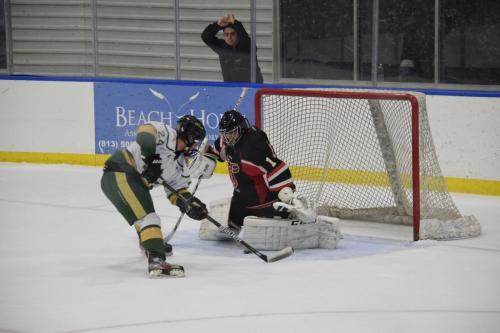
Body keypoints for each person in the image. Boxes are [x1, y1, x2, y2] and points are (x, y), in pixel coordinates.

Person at [100, 115, 213, 278]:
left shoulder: (180, 165)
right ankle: (156, 260)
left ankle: (150, 242)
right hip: (121, 172)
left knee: (144, 218)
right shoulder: (167, 134)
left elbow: (177, 192)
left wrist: (189, 203)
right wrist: (150, 158)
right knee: (150, 217)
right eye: (194, 140)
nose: (195, 145)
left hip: (131, 181)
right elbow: (144, 133)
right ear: (187, 135)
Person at [207, 109, 295, 232]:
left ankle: (285, 213)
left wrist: (287, 195)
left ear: (241, 129)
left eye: (231, 133)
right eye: (225, 133)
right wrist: (207, 153)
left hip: (264, 203)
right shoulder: (229, 139)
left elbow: (277, 167)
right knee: (214, 224)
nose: (227, 137)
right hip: (242, 199)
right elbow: (217, 151)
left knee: (260, 228)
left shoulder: (253, 147)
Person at [201, 14, 263, 83]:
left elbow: (244, 37)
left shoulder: (247, 46)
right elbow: (206, 37)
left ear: (238, 34)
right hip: (231, 88)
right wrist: (217, 25)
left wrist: (235, 23)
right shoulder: (222, 48)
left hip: (251, 87)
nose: (229, 37)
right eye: (226, 34)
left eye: (232, 34)